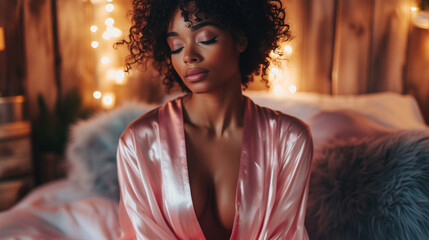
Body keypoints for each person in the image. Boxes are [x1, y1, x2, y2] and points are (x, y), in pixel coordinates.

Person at [116, 0, 313, 239]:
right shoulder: (139, 142)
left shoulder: (290, 140)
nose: (189, 56)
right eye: (176, 46)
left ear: (241, 39)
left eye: (206, 39)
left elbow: (284, 234)